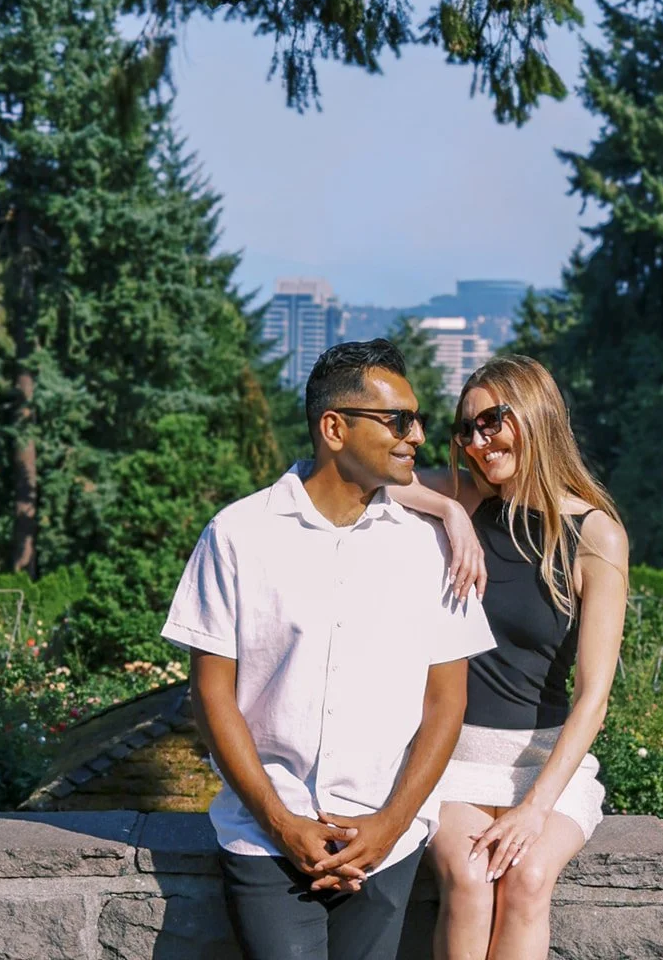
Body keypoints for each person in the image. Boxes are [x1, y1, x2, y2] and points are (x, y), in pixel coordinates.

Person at [162, 338, 496, 960]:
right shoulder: (238, 535)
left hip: (387, 844)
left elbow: (446, 702)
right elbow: (210, 694)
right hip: (266, 837)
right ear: (334, 427)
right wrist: (282, 823)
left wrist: (390, 825)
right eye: (398, 420)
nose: (417, 436)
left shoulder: (430, 550)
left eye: (417, 419)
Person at [390, 354, 630, 960]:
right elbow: (362, 473)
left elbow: (594, 697)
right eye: (465, 430)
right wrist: (449, 511)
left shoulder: (596, 535)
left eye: (492, 421)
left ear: (535, 413)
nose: (477, 442)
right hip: (452, 758)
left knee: (525, 880)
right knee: (470, 879)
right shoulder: (468, 498)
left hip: (545, 769)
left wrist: (533, 809)